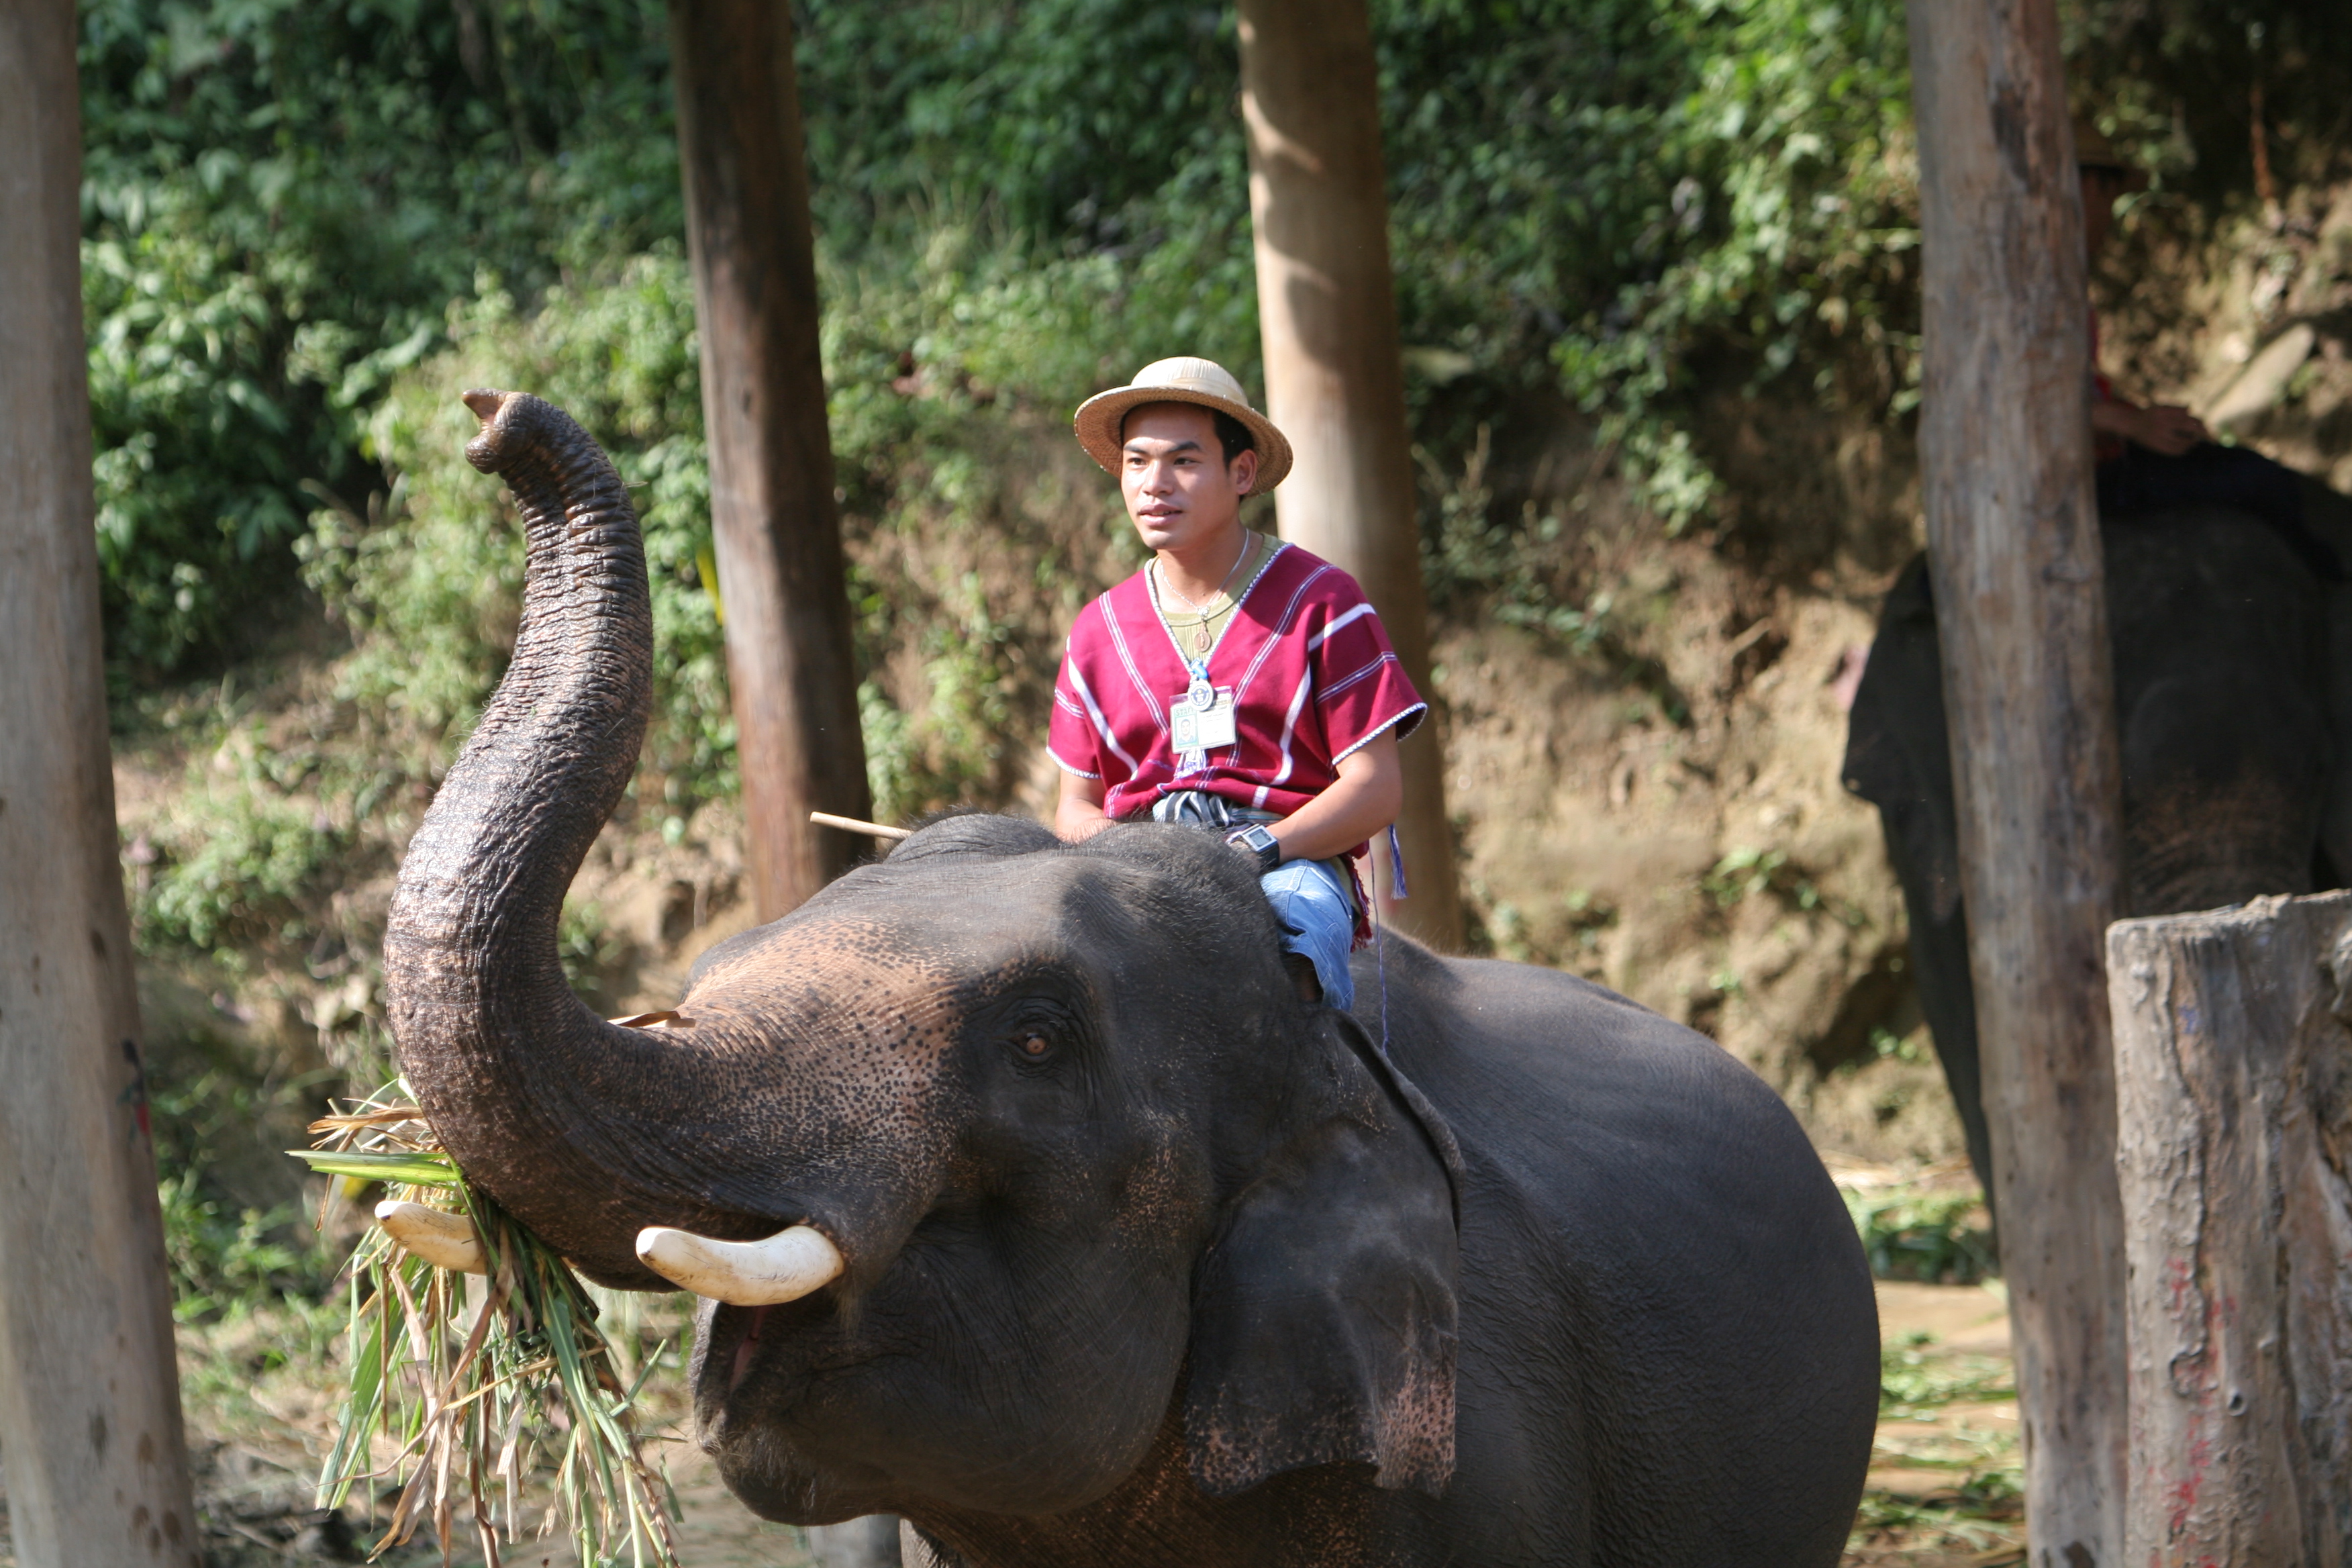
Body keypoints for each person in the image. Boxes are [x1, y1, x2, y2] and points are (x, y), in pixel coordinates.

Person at [1048, 357, 1426, 1008]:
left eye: (1184, 462)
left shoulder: (1324, 602)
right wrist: (1137, 853)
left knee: (1292, 949)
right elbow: (1074, 807)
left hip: (1288, 862)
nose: (1154, 484)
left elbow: (1375, 787)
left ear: (1242, 471)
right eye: (1136, 462)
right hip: (1138, 866)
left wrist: (1252, 849)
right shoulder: (1096, 628)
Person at [2079, 121, 2339, 579]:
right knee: (2257, 483)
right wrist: (2131, 424)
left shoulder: (2061, 283)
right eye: (2107, 194)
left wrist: (2147, 422)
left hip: (2096, 458)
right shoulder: (2029, 288)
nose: (2108, 217)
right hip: (2075, 478)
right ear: (2085, 187)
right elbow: (2019, 401)